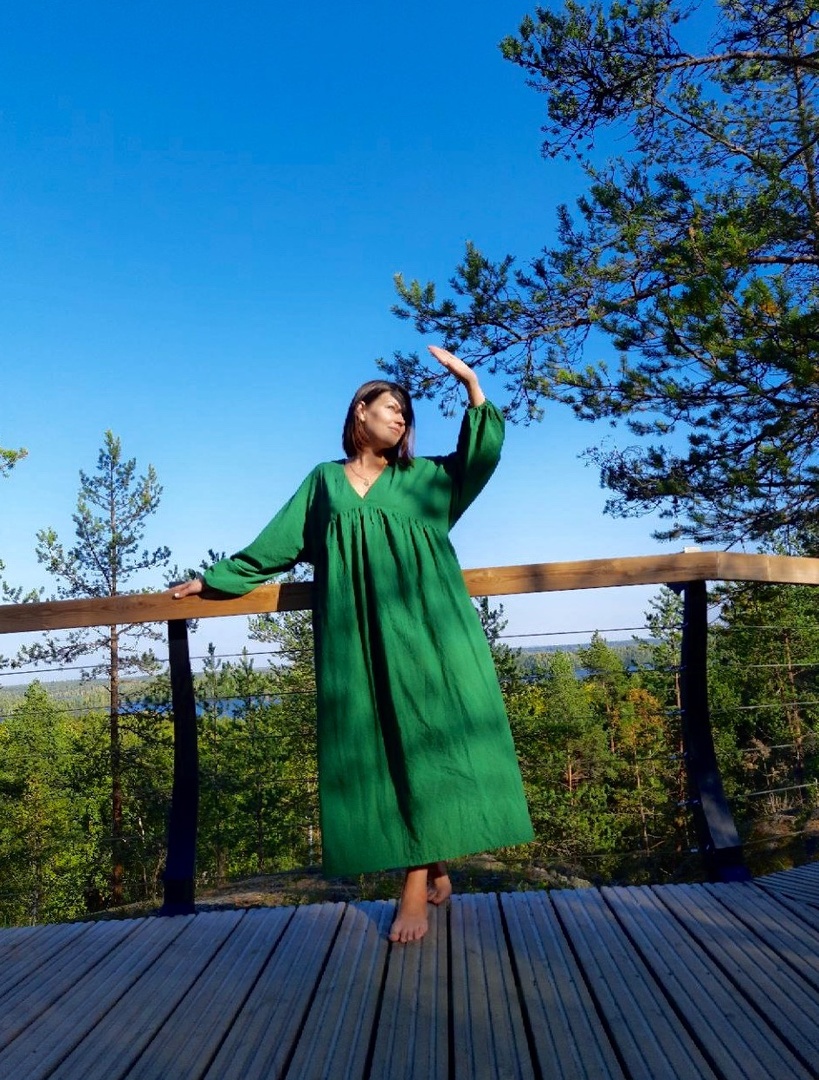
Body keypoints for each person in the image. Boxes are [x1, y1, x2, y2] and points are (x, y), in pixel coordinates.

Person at [172, 346, 533, 942]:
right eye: (392, 408)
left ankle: (413, 888)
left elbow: (482, 456)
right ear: (361, 411)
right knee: (378, 745)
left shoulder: (425, 480)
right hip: (357, 640)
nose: (402, 418)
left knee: (426, 744)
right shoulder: (324, 482)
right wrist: (213, 580)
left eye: (406, 415)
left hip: (428, 634)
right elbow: (276, 546)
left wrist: (472, 384)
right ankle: (437, 862)